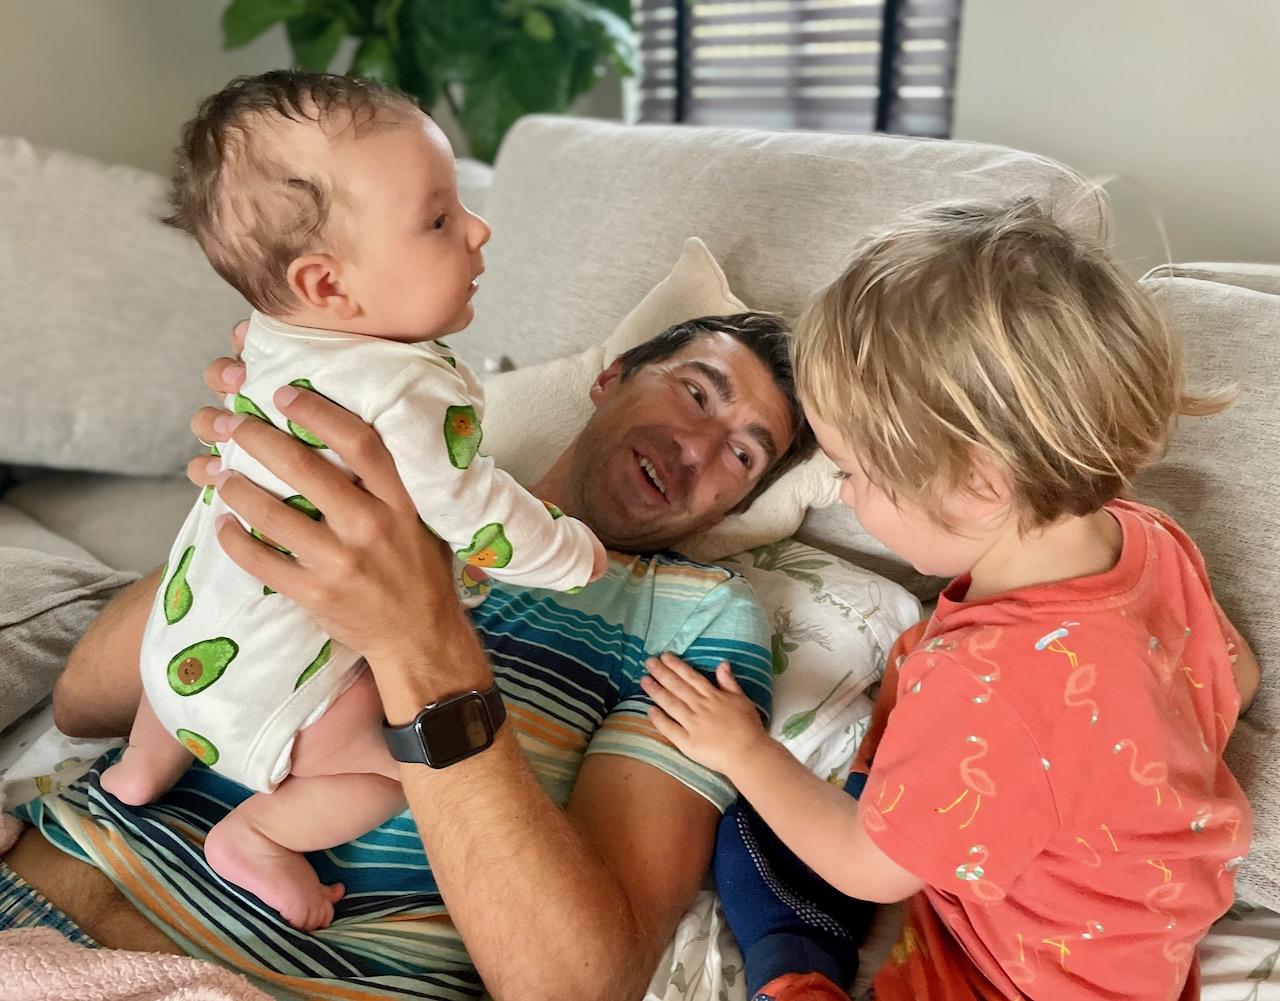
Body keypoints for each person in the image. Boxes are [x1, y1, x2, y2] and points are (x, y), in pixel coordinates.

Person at [6, 305, 816, 1001]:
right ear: (612, 376)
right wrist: (264, 485)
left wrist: (418, 644)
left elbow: (573, 983)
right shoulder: (393, 469)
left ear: (739, 502)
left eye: (743, 455)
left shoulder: (694, 616)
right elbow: (83, 701)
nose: (696, 447)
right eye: (695, 391)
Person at [643, 199, 1260, 1001]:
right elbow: (1235, 677)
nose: (842, 490)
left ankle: (801, 962)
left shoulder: (984, 685)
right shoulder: (1148, 539)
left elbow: (869, 868)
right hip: (1140, 962)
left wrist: (743, 749)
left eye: (855, 472)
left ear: (978, 485)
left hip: (1004, 981)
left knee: (749, 844)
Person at [97, 70, 609, 932]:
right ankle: (258, 835)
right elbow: (473, 510)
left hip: (170, 648)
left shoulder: (269, 335)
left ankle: (141, 768)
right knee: (386, 774)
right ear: (329, 284)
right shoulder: (407, 389)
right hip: (274, 699)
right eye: (439, 219)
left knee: (198, 633)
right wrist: (570, 550)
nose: (479, 229)